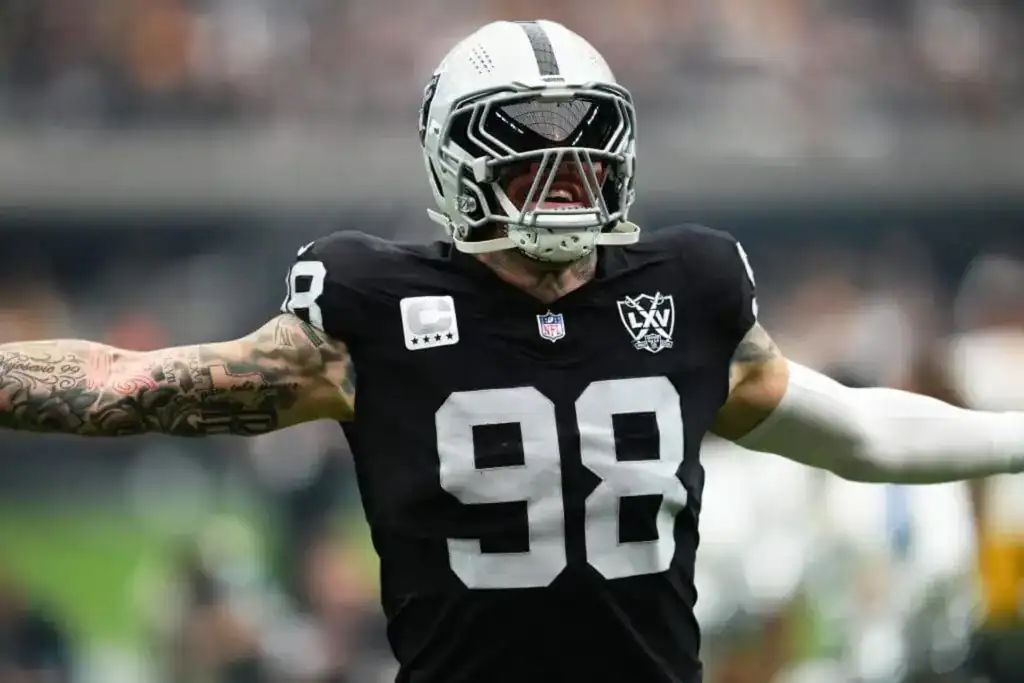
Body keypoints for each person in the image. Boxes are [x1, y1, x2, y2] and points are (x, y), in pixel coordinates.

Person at [0, 19, 1021, 683]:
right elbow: (125, 386)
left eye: (585, 147)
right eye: (526, 147)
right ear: (454, 160)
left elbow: (858, 432)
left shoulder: (687, 287)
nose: (565, 174)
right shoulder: (371, 307)